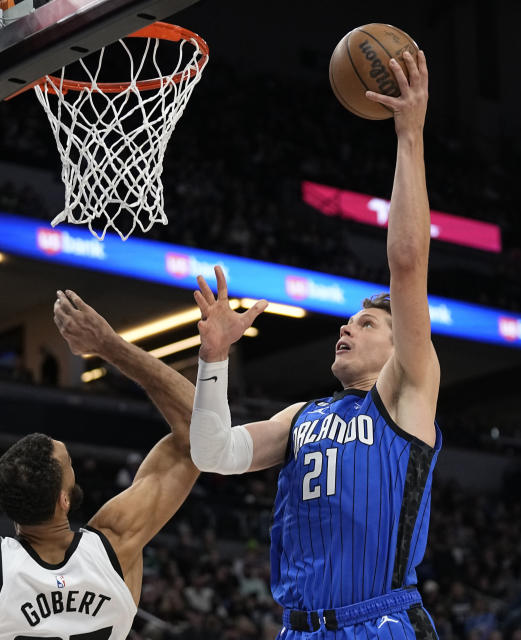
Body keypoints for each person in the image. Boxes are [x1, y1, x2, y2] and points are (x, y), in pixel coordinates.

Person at [188, 50, 442, 638]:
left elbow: (406, 265)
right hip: (298, 628)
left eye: (367, 324)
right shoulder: (305, 416)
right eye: (347, 323)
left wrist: (409, 132)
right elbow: (212, 454)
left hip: (375, 622)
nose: (346, 328)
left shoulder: (406, 397)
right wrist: (214, 361)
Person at [0, 291, 199, 640]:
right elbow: (199, 434)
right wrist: (110, 347)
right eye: (69, 462)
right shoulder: (118, 544)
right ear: (64, 499)